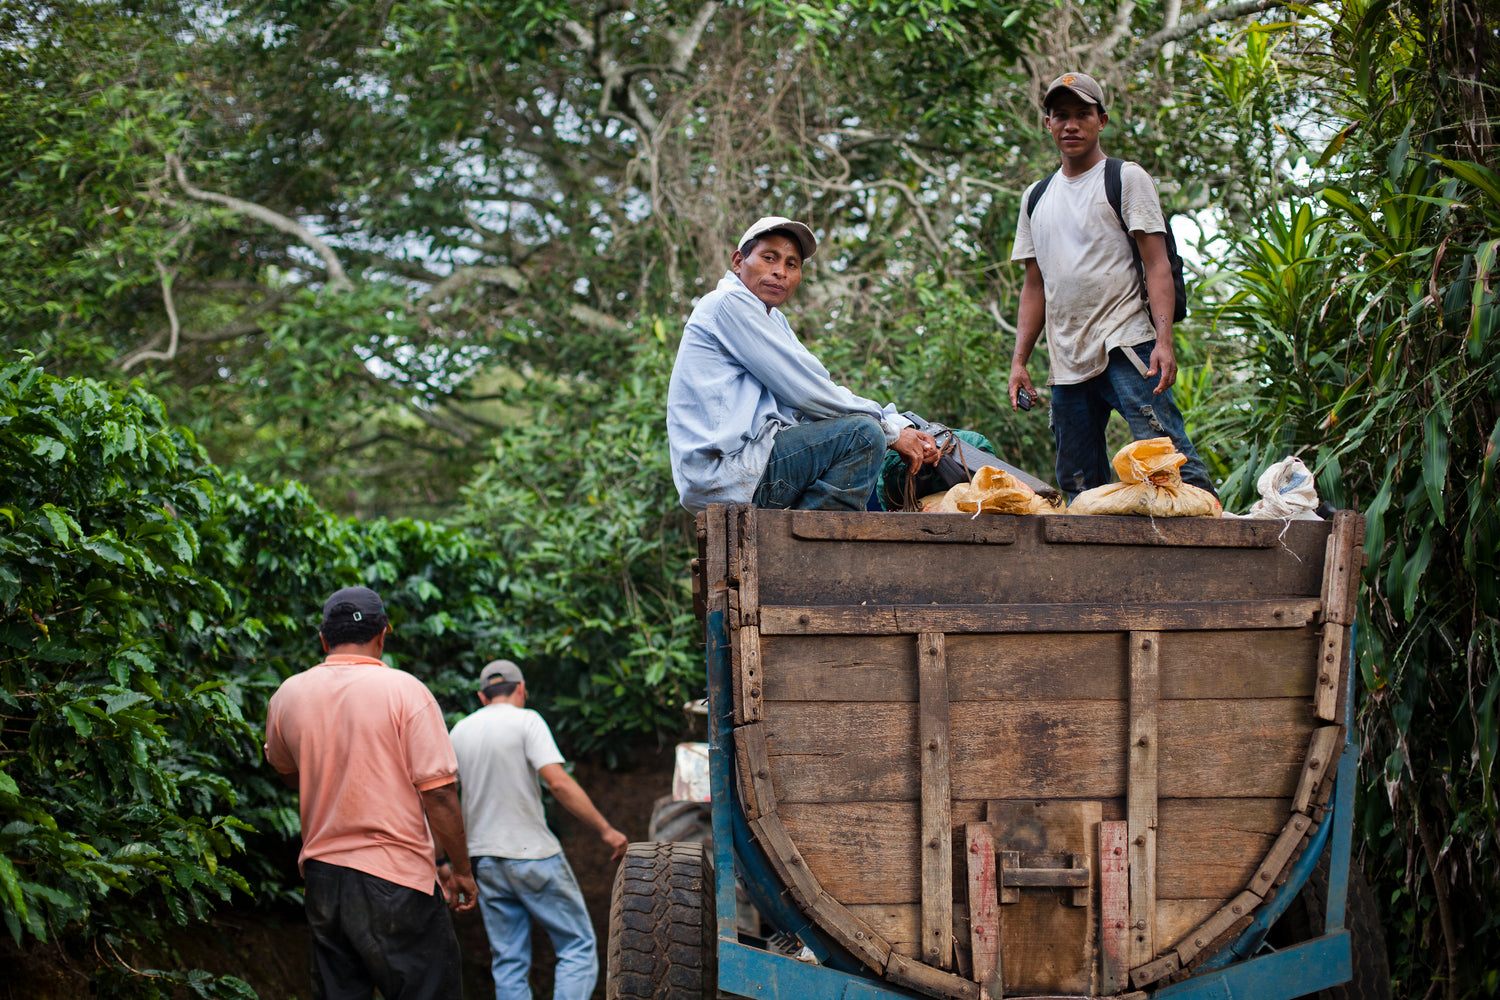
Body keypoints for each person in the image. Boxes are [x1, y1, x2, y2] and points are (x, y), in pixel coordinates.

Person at [1008, 72, 1216, 500]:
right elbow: (1034, 286)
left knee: (1168, 459)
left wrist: (1164, 340)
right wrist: (1019, 361)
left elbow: (1157, 264)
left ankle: (1213, 544)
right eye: (1061, 116)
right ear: (1047, 123)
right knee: (1080, 485)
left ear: (1101, 120)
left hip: (1127, 345)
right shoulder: (1036, 197)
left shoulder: (1124, 178)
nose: (1071, 125)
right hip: (1067, 359)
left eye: (1082, 114)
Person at [264, 585, 478, 1000]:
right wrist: (462, 870)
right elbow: (438, 793)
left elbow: (289, 773)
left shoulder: (287, 694)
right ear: (384, 634)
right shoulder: (406, 692)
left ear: (324, 639)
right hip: (395, 879)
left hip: (324, 879)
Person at [667, 215, 944, 512]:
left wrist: (899, 422)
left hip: (748, 464)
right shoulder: (727, 304)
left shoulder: (772, 319)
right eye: (769, 258)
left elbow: (818, 387)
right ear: (738, 261)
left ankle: (803, 541)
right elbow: (809, 393)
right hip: (725, 471)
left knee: (860, 431)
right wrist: (891, 432)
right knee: (862, 436)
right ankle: (813, 546)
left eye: (791, 264)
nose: (779, 272)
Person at [448, 659, 629, 1000]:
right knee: (576, 945)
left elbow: (446, 800)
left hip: (484, 861)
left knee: (508, 960)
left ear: (482, 696)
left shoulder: (459, 731)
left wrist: (446, 860)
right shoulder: (527, 721)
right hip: (533, 856)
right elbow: (558, 784)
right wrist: (606, 830)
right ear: (521, 689)